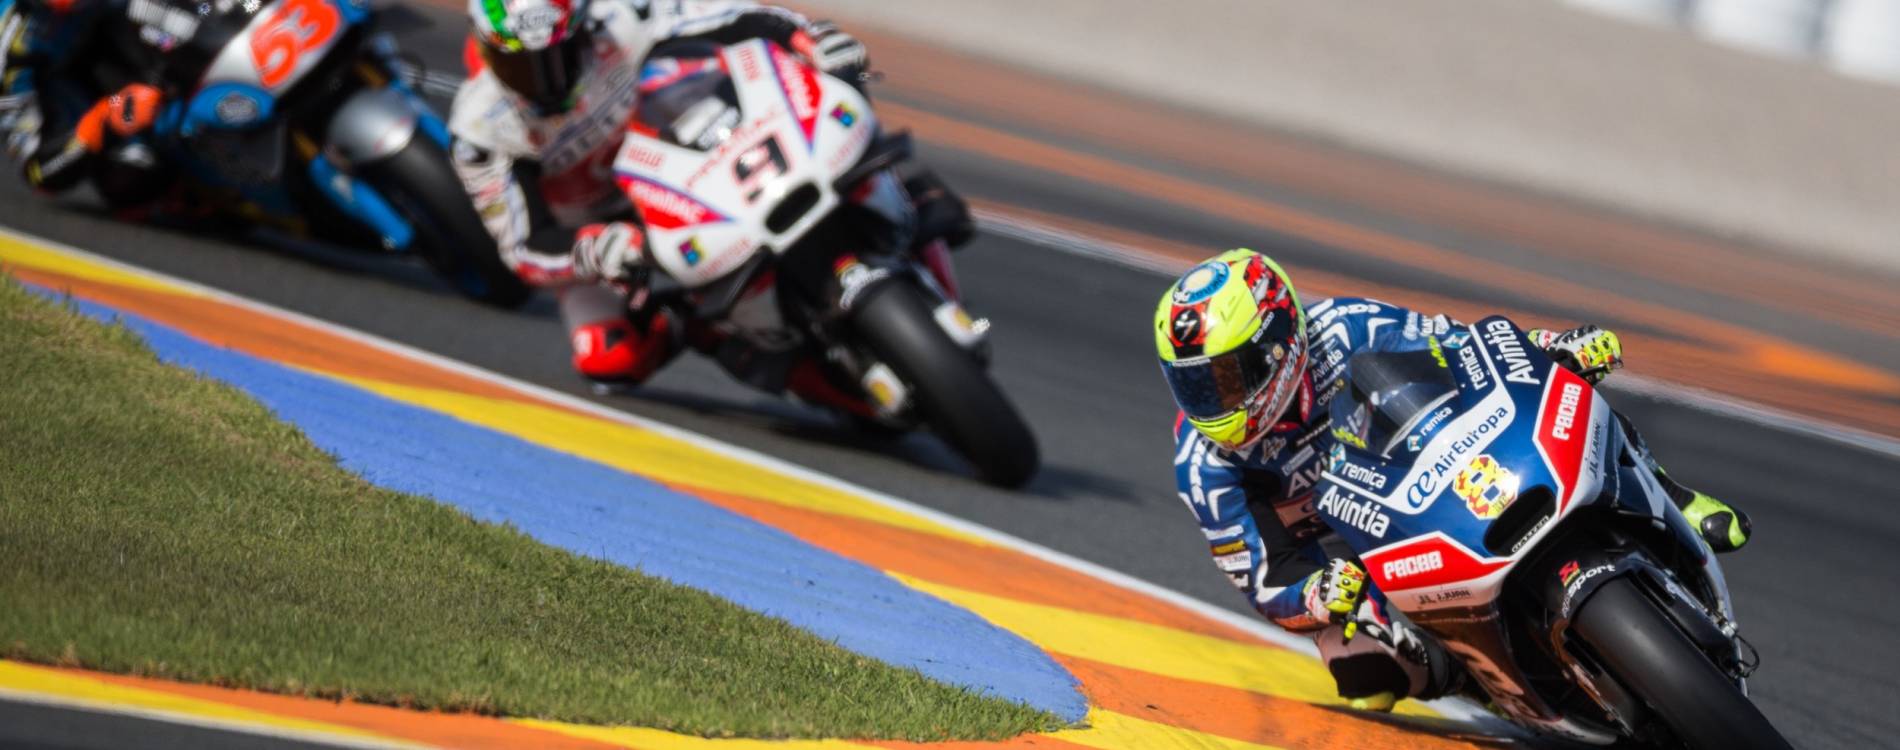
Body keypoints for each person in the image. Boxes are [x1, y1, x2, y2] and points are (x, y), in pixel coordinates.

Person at [1153, 248, 1752, 711]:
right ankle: (1480, 681)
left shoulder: (1346, 327)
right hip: (1354, 554)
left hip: (1434, 467)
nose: (1215, 401)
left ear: (1279, 343)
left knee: (1564, 394)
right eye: (1196, 384)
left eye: (1227, 379)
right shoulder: (1206, 462)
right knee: (1366, 676)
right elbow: (1260, 574)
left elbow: (1463, 348)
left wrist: (1548, 348)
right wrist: (1315, 593)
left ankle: (1670, 497)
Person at [449, 0, 973, 396]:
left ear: (581, 24)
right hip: (616, 232)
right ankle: (789, 365)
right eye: (522, 65)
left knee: (839, 125)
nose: (546, 79)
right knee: (610, 357)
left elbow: (741, 19)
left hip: (691, 155)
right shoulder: (480, 130)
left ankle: (908, 218)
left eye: (559, 55)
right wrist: (599, 248)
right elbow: (522, 246)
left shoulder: (624, 14)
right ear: (486, 48)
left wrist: (814, 40)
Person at [2, 0, 170, 212]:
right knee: (132, 173)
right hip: (110, 107)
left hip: (153, 57)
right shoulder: (10, 52)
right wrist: (105, 120)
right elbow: (38, 171)